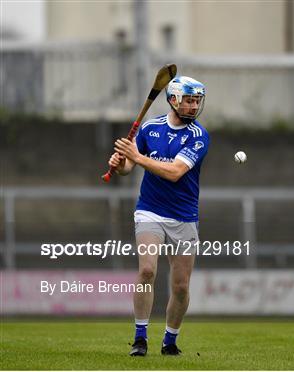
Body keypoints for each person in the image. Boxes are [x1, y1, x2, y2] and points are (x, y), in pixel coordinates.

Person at [109, 76, 210, 356]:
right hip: (150, 210)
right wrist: (120, 164)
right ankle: (140, 338)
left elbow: (175, 172)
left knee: (180, 286)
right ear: (174, 100)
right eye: (189, 100)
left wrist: (136, 157)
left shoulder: (199, 136)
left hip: (184, 216)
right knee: (147, 270)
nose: (194, 106)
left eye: (197, 101)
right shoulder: (150, 128)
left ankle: (170, 340)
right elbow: (130, 166)